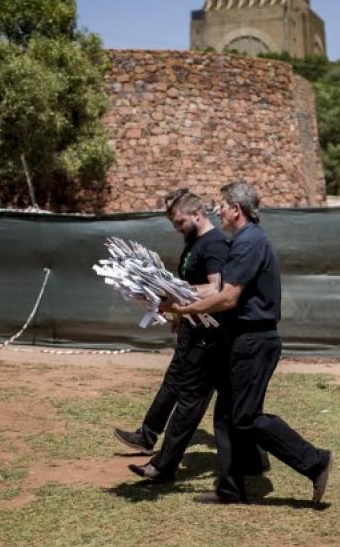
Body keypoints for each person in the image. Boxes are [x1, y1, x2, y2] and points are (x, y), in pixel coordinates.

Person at [165, 181, 331, 504]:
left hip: (255, 341)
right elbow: (215, 291)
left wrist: (181, 308)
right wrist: (172, 294)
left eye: (222, 205)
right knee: (226, 416)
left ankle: (315, 461)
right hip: (244, 339)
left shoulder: (249, 242)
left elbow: (227, 298)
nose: (218, 210)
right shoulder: (243, 240)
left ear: (236, 210)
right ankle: (230, 489)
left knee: (245, 417)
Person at [117, 189, 267, 481]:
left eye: (180, 222)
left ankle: (163, 464)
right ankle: (253, 458)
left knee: (192, 399)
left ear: (196, 215)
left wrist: (174, 298)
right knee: (223, 400)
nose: (177, 229)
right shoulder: (196, 243)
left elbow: (217, 289)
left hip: (209, 336)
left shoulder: (213, 246)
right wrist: (178, 313)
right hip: (195, 329)